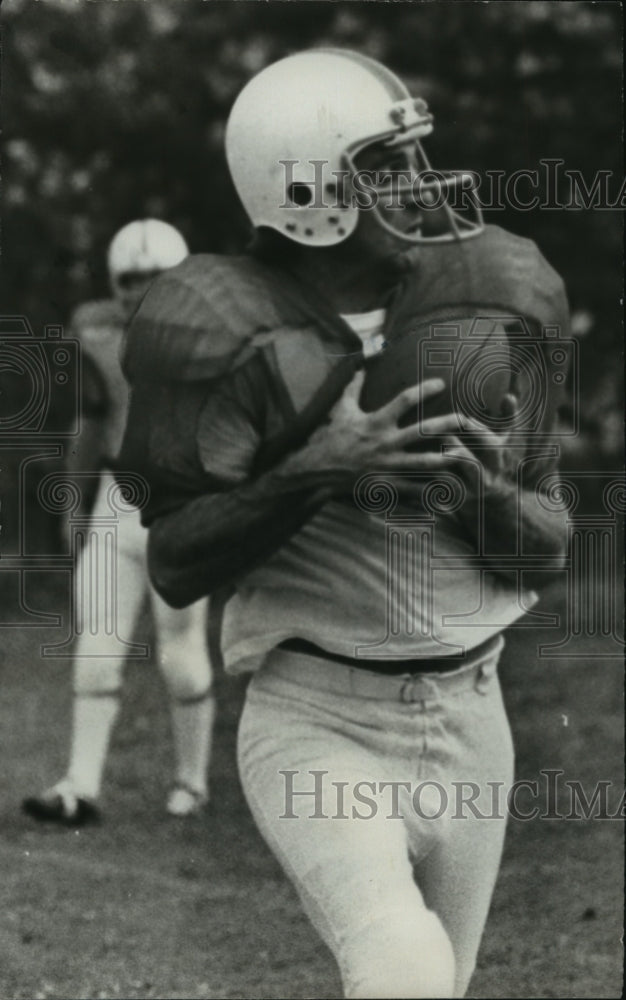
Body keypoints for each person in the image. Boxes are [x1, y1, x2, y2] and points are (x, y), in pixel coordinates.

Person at [117, 51, 570, 998]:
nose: (419, 183)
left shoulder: (482, 300)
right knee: (402, 963)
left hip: (475, 717)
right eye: (386, 164)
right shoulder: (223, 326)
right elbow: (174, 563)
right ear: (310, 187)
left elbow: (548, 545)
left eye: (414, 157)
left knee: (438, 983)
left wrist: (482, 495)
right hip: (320, 718)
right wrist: (317, 470)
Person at [23, 220, 216, 825]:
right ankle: (80, 785)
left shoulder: (215, 334)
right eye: (131, 279)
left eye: (156, 276)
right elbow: (89, 420)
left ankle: (192, 779)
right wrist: (72, 503)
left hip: (184, 501)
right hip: (117, 496)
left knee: (179, 650)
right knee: (98, 644)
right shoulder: (99, 332)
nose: (142, 289)